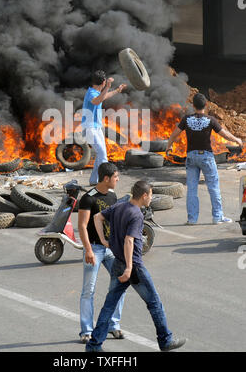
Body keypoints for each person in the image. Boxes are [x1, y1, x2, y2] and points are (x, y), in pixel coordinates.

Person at [86, 180, 186, 352]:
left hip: (118, 261)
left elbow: (97, 217)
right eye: (151, 195)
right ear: (144, 195)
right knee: (154, 303)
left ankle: (94, 345)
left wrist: (103, 240)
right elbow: (129, 241)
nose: (151, 198)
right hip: (134, 268)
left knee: (109, 305)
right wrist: (129, 268)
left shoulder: (119, 206)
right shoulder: (136, 214)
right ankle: (165, 340)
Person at [166, 93, 243, 225]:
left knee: (191, 189)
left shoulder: (186, 119)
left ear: (193, 105)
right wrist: (237, 140)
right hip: (206, 157)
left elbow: (174, 135)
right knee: (213, 187)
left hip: (191, 157)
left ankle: (192, 219)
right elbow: (224, 134)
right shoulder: (210, 120)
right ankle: (217, 217)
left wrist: (168, 147)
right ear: (206, 105)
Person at [78, 162, 126, 344]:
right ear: (106, 178)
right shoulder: (88, 198)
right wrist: (88, 250)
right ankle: (86, 331)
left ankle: (114, 325)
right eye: (116, 177)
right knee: (88, 290)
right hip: (95, 249)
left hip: (111, 249)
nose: (118, 180)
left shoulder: (113, 196)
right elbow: (82, 226)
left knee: (120, 283)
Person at [81, 70, 126, 186]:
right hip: (90, 129)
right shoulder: (91, 93)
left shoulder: (96, 92)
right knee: (102, 156)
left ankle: (94, 180)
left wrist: (117, 90)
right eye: (105, 83)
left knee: (101, 154)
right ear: (104, 82)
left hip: (96, 128)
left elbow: (103, 97)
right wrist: (108, 87)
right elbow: (97, 101)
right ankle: (104, 182)